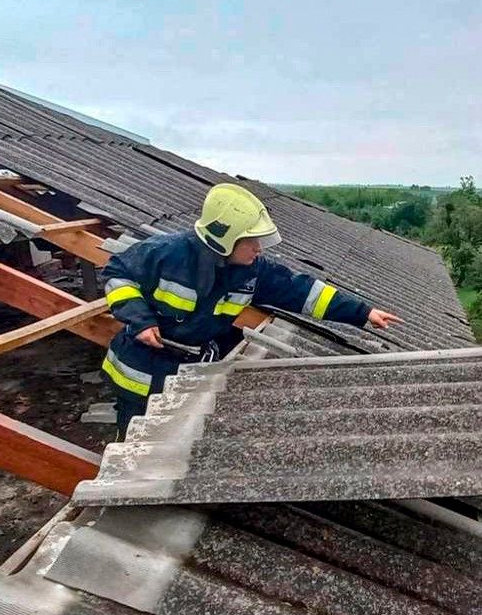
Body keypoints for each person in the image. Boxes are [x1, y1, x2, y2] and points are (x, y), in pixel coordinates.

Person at [101, 183, 403, 438]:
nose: (258, 249)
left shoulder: (253, 272)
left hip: (190, 368)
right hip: (139, 371)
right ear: (224, 238)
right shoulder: (165, 253)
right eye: (251, 241)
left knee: (173, 438)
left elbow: (304, 292)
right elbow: (118, 273)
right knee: (133, 440)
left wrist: (363, 313)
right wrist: (139, 319)